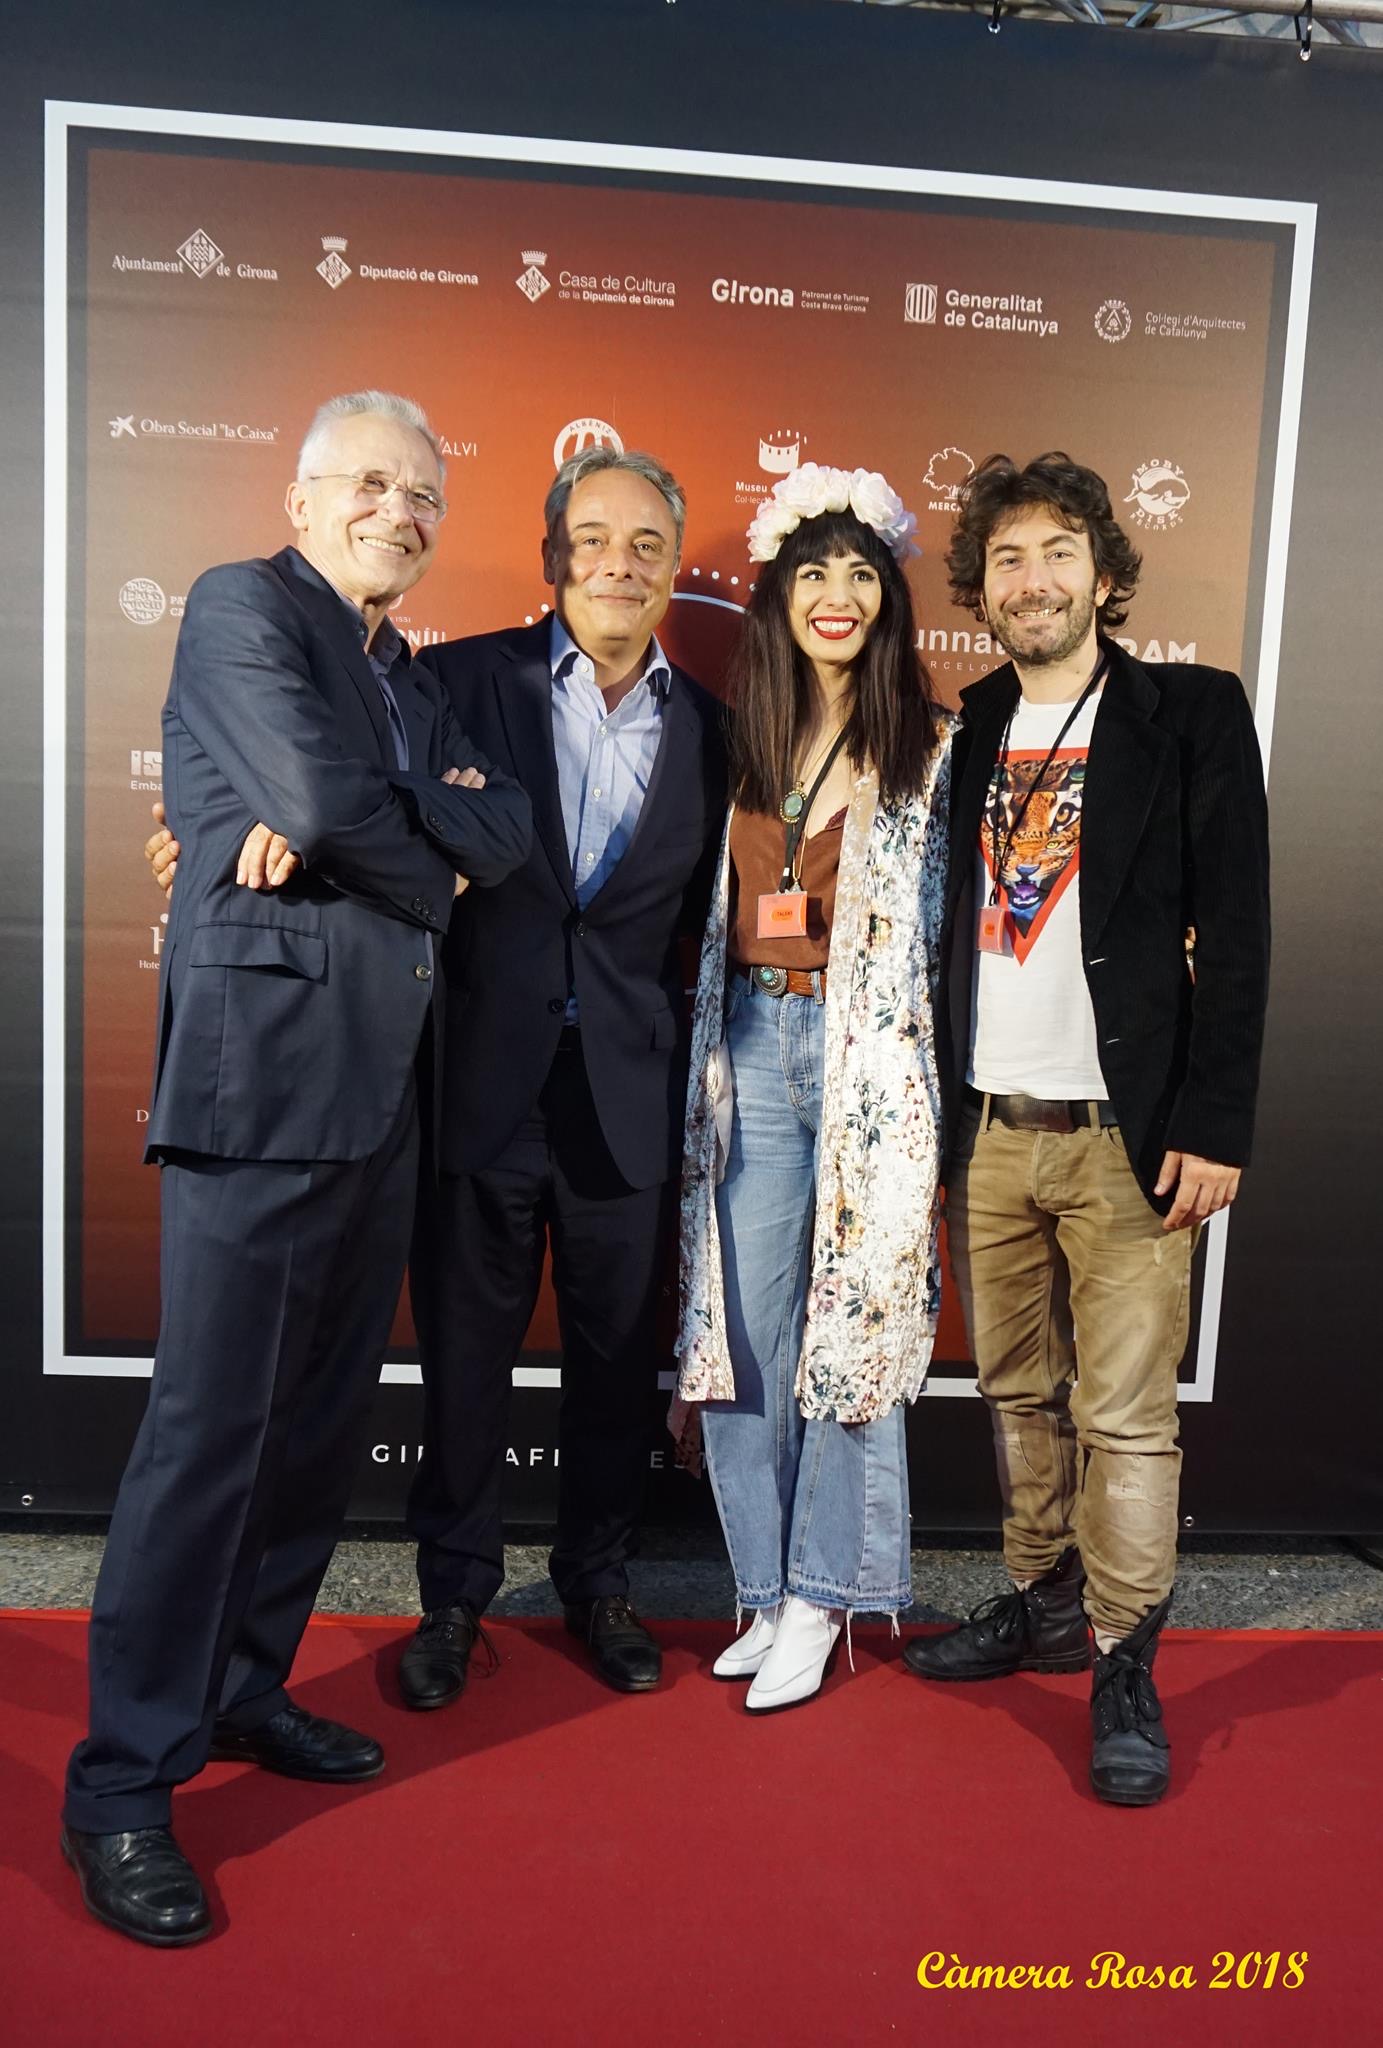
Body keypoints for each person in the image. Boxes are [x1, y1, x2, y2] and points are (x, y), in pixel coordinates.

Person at [65, 390, 531, 1946]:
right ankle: (124, 1788)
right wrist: (372, 823)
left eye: (425, 497)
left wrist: (371, 822)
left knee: (320, 1434)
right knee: (209, 1438)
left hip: (384, 1097)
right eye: (374, 486)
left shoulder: (406, 672)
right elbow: (328, 802)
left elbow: (504, 836)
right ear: (306, 493)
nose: (399, 513)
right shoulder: (237, 605)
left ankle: (250, 1690)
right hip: (259, 1088)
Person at [903, 453, 1270, 1807]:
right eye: (1004, 559)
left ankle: (1122, 1659)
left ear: (1105, 576)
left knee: (1123, 1420)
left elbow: (1233, 936)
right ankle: (1042, 1598)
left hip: (1128, 1132)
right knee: (1013, 1397)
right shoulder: (968, 727)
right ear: (977, 592)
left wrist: (1214, 1120)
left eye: (1056, 551)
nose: (1031, 578)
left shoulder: (1187, 716)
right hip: (990, 1127)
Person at [398, 448, 726, 1700]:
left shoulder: (709, 733)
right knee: (466, 1356)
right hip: (482, 1083)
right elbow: (353, 799)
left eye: (647, 545)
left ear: (670, 573)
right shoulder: (452, 682)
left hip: (625, 1102)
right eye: (594, 538)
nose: (619, 564)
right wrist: (219, 828)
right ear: (551, 558)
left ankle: (599, 1581)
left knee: (609, 1365)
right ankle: (451, 1600)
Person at [675, 463, 953, 1712]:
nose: (836, 596)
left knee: (848, 1336)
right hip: (742, 1043)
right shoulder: (734, 735)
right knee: (740, 1333)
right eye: (812, 574)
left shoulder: (931, 749)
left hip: (867, 1063)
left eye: (860, 574)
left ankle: (825, 1594)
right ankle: (766, 1584)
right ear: (780, 595)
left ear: (887, 598)